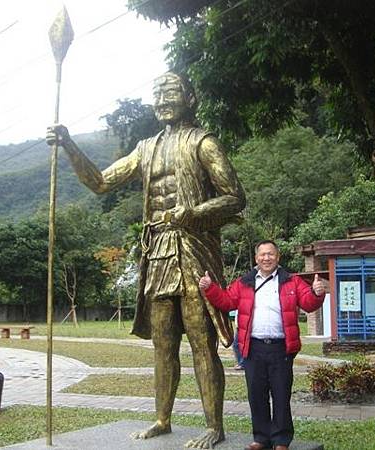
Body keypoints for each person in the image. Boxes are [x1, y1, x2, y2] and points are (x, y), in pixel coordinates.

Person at [47, 71, 245, 449]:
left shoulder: (203, 143)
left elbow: (235, 197)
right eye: (157, 94)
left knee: (201, 341)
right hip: (156, 253)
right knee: (163, 343)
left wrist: (194, 212)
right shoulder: (145, 148)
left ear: (190, 98)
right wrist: (70, 145)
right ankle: (162, 419)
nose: (163, 100)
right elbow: (102, 182)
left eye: (171, 92)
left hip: (192, 250)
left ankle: (214, 426)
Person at [199, 240, 326, 450]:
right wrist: (210, 288)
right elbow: (227, 301)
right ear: (256, 258)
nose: (266, 258)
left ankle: (281, 440)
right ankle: (261, 438)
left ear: (278, 257)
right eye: (262, 255)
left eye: (271, 254)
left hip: (281, 348)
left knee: (281, 394)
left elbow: (308, 303)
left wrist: (317, 293)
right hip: (253, 348)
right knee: (256, 395)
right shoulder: (244, 282)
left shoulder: (291, 281)